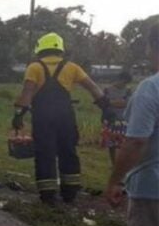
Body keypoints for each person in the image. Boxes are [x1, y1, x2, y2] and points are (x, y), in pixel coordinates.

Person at [105, 22, 159, 226]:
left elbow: (136, 141)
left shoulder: (151, 88)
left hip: (153, 186)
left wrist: (115, 180)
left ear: (153, 48)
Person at [12, 33, 108, 205]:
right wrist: (106, 108)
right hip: (65, 117)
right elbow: (93, 88)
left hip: (43, 118)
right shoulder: (72, 67)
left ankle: (48, 195)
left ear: (41, 48)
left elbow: (27, 93)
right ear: (60, 49)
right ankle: (70, 193)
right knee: (68, 152)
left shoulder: (35, 67)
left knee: (44, 154)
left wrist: (19, 115)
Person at [101, 71, 132, 165]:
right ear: (119, 79)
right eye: (124, 81)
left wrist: (111, 102)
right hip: (110, 120)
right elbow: (102, 104)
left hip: (124, 120)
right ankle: (113, 163)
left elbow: (127, 103)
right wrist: (118, 102)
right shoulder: (107, 90)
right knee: (111, 144)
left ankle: (122, 162)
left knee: (123, 143)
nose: (124, 84)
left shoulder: (128, 91)